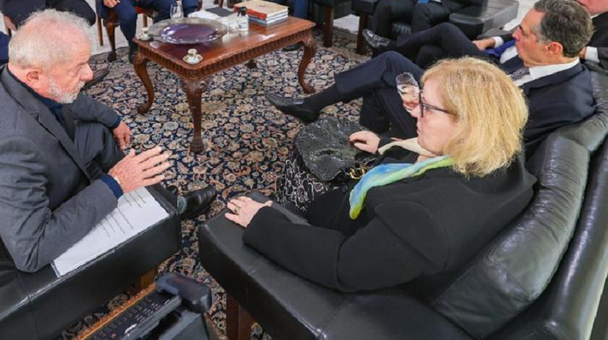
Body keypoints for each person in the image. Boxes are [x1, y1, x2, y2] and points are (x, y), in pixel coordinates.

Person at [227, 58, 535, 295]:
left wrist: (267, 221)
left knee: (302, 162)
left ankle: (287, 206)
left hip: (342, 229)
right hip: (375, 209)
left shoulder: (424, 223)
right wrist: (385, 145)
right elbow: (433, 164)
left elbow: (343, 265)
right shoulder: (505, 159)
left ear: (468, 126)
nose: (414, 112)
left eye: (427, 107)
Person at [0, 10, 216, 273]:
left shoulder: (20, 76)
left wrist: (113, 120)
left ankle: (157, 201)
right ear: (35, 75)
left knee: (97, 133)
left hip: (39, 154)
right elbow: (31, 251)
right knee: (112, 180)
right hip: (10, 239)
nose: (89, 74)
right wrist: (115, 183)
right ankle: (143, 202)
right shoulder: (4, 149)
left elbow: (70, 97)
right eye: (78, 68)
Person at [268, 0, 595, 156]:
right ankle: (356, 135)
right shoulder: (539, 62)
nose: (515, 36)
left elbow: (493, 148)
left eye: (522, 33)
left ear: (553, 48)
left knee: (385, 72)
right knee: (388, 70)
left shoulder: (564, 102)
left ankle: (367, 141)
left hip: (451, 134)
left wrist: (433, 107)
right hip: (456, 101)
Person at [368, 0, 608, 69]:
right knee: (428, 52)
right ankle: (411, 94)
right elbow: (523, 32)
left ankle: (390, 48)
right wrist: (492, 40)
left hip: (505, 68)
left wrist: (575, 50)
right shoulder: (574, 11)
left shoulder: (595, 27)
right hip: (499, 53)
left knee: (446, 30)